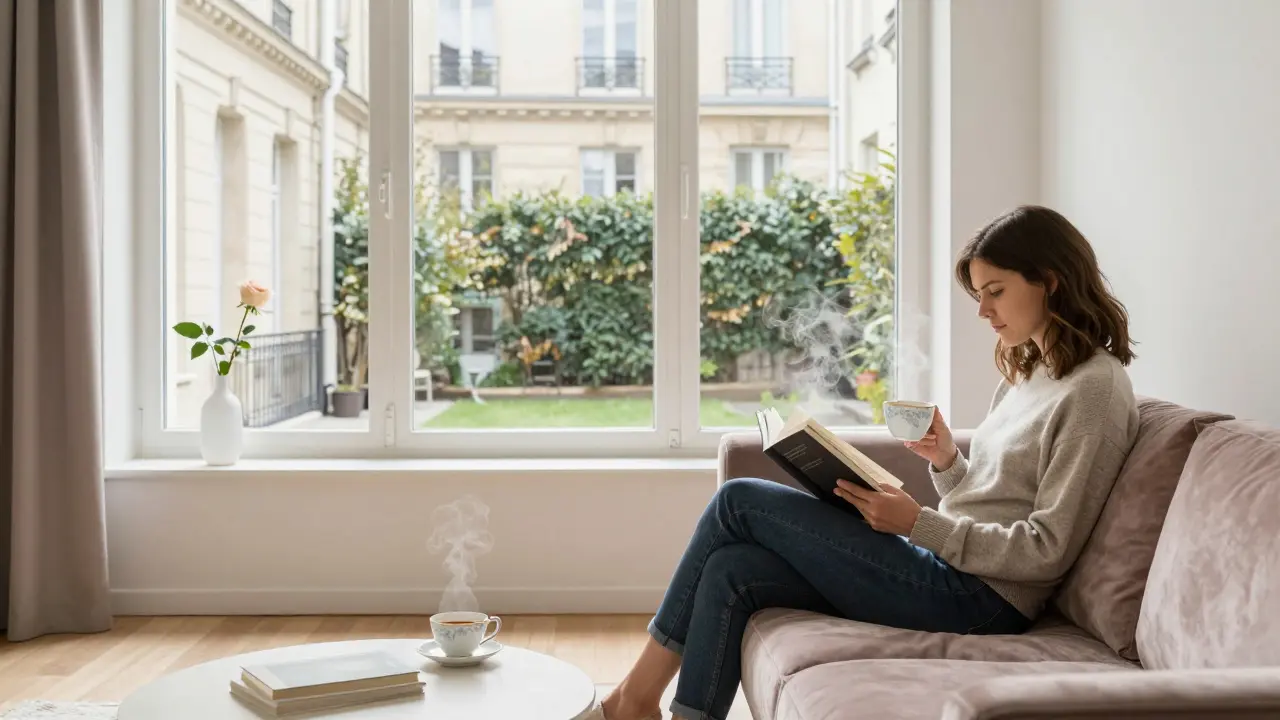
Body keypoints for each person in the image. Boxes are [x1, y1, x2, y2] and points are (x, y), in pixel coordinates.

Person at [585, 205, 1141, 720]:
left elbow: (1046, 549)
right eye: (978, 293)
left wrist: (916, 524)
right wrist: (947, 460)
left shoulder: (1094, 390)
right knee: (733, 570)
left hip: (982, 600)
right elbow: (992, 498)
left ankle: (631, 702)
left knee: (738, 501)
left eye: (994, 291)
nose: (982, 310)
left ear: (1049, 279)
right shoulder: (1028, 371)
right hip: (954, 573)